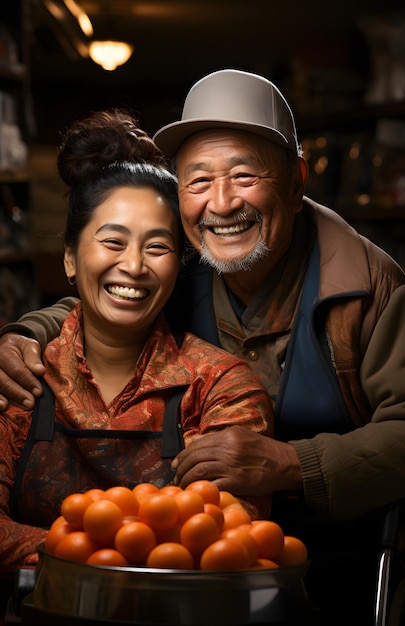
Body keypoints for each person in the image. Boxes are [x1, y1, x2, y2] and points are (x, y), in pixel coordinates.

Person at [0, 69, 405, 623]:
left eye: (245, 175)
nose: (221, 204)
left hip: (333, 556)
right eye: (197, 181)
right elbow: (113, 291)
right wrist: (26, 332)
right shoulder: (185, 255)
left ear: (295, 182)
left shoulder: (368, 287)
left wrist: (296, 464)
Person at [0, 107, 274, 576]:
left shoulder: (221, 387)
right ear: (70, 258)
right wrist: (110, 555)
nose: (133, 266)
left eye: (157, 247)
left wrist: (90, 555)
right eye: (112, 242)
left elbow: (228, 533)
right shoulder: (18, 373)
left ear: (179, 264)